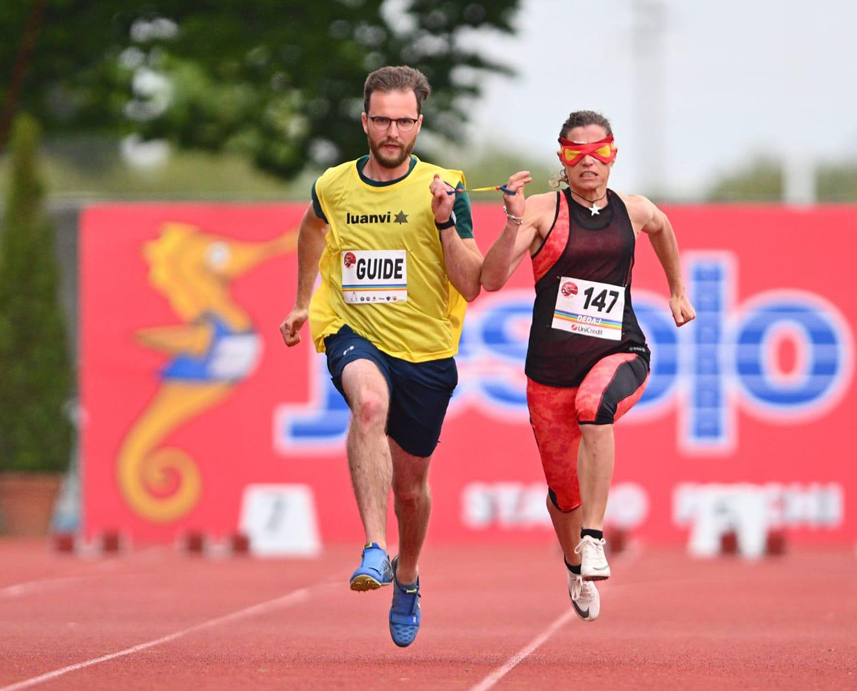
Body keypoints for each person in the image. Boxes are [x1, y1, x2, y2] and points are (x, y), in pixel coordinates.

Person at [278, 66, 516, 647]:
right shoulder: (333, 185)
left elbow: (471, 285)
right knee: (367, 405)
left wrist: (443, 221)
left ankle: (406, 575)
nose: (392, 132)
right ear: (365, 122)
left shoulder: (446, 187)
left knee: (411, 490)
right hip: (352, 330)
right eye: (382, 120)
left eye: (403, 122)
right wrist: (304, 301)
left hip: (426, 352)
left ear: (419, 124)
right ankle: (373, 546)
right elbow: (311, 229)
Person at [480, 111, 696, 622]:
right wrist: (512, 221)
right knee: (563, 495)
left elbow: (662, 227)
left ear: (613, 154)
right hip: (550, 371)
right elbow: (490, 280)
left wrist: (677, 289)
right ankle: (575, 563)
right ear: (562, 157)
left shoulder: (633, 209)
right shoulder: (541, 210)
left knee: (594, 406)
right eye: (577, 152)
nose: (589, 161)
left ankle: (595, 538)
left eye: (599, 151)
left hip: (620, 351)